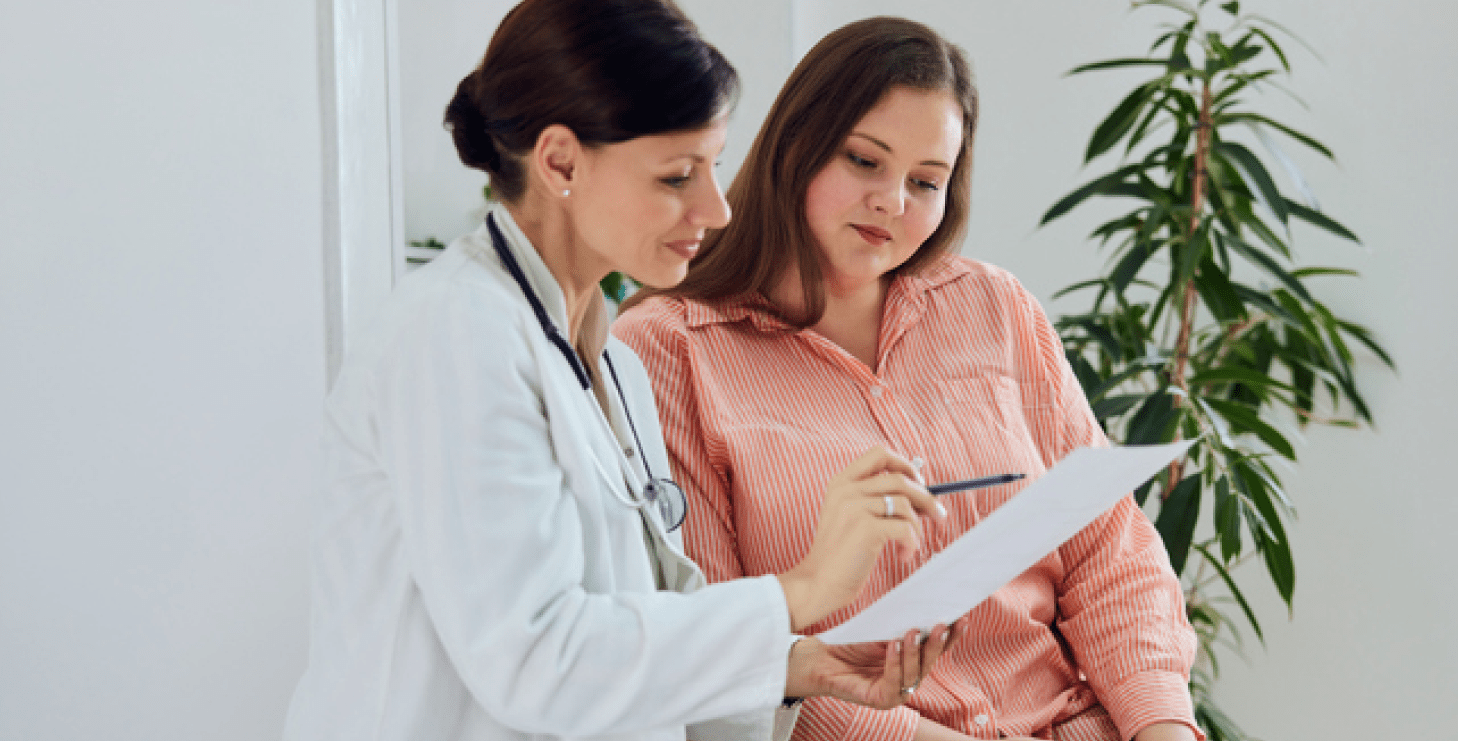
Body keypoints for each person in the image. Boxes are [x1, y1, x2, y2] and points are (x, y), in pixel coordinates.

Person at [281, 3, 963, 741]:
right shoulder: (454, 337)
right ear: (560, 161)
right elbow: (541, 663)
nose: (716, 208)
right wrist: (801, 590)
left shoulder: (616, 368)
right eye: (678, 176)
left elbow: (650, 635)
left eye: (715, 168)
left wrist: (807, 665)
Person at [614, 16, 1201, 741]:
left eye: (926, 181)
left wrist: (1164, 726)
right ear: (796, 144)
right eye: (865, 161)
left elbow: (1111, 554)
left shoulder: (995, 307)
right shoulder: (666, 349)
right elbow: (721, 649)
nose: (893, 201)